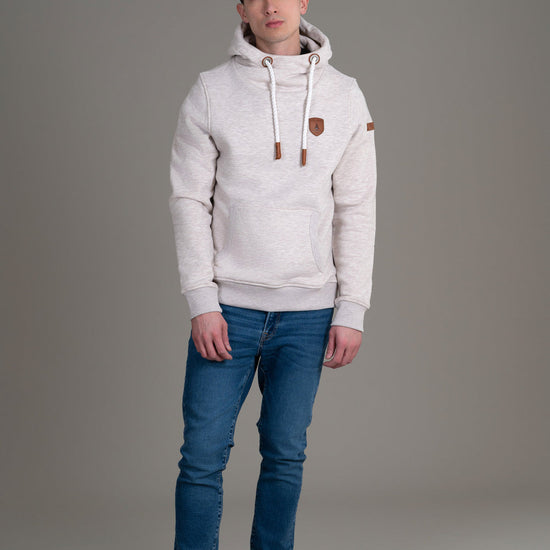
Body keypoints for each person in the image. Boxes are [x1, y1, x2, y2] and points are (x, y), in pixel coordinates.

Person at [168, 0, 377, 548]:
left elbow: (357, 207)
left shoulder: (344, 94)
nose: (270, 6)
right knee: (201, 458)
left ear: (303, 1)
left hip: (309, 313)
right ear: (241, 8)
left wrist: (352, 307)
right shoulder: (211, 91)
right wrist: (201, 300)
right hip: (227, 311)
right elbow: (189, 199)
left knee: (285, 456)